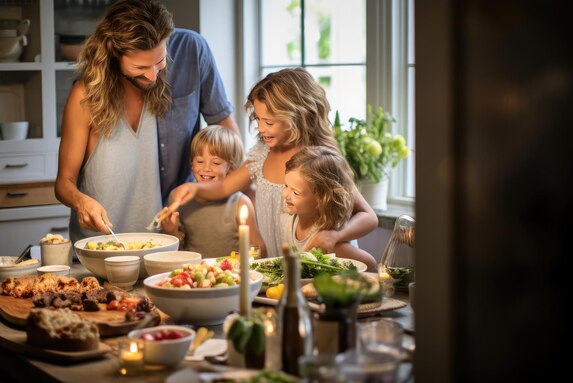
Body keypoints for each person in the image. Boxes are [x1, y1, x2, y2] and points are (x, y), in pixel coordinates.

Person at [54, 0, 239, 243]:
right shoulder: (85, 96)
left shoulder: (181, 63)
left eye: (160, 62)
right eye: (140, 66)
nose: (153, 75)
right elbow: (63, 183)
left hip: (160, 244)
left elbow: (230, 139)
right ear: (114, 55)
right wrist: (81, 201)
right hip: (98, 246)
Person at [168, 67, 378, 257]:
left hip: (319, 263)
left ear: (298, 116)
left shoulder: (318, 161)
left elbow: (368, 217)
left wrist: (334, 235)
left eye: (269, 122)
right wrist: (193, 189)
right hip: (279, 265)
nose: (261, 128)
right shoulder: (262, 154)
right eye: (257, 119)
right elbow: (223, 187)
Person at [160, 125, 265, 259]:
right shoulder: (180, 198)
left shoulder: (240, 203)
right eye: (199, 161)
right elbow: (175, 253)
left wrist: (240, 261)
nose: (206, 168)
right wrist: (170, 230)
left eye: (216, 163)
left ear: (231, 169)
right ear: (191, 164)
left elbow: (259, 248)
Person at [282, 146, 378, 271]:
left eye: (296, 193)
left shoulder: (327, 242)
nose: (285, 195)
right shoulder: (291, 221)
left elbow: (370, 263)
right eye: (285, 186)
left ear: (321, 199)